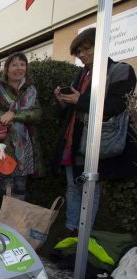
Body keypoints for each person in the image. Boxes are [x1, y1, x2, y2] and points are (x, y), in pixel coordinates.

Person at [53, 28, 137, 238]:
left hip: (97, 141)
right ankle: (71, 229)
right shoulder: (81, 75)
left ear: (100, 46)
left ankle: (83, 234)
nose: (82, 55)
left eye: (86, 49)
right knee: (73, 186)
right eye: (78, 51)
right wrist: (62, 101)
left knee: (91, 188)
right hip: (72, 140)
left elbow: (117, 105)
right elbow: (65, 112)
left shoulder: (120, 70)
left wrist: (79, 100)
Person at [0, 52, 43, 200]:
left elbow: (37, 114)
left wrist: (14, 115)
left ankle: (15, 222)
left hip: (25, 150)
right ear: (6, 69)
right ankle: (6, 221)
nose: (19, 68)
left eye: (22, 64)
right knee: (6, 191)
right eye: (14, 65)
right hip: (4, 148)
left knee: (20, 190)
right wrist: (1, 115)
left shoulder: (31, 91)